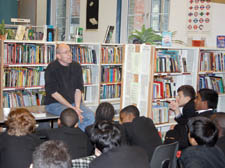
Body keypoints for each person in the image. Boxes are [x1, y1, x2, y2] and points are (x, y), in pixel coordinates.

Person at [44, 43, 94, 131]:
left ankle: (78, 139)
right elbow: (54, 93)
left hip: (75, 103)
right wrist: (73, 109)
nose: (69, 54)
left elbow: (78, 89)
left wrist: (77, 107)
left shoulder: (76, 66)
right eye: (66, 52)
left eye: (70, 52)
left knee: (91, 116)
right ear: (58, 56)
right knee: (71, 116)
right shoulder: (51, 68)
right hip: (55, 104)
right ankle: (70, 139)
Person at [164, 85, 197, 150]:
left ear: (187, 98)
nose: (177, 98)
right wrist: (176, 109)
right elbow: (185, 121)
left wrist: (176, 109)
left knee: (171, 133)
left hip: (189, 140)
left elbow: (186, 125)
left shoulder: (188, 107)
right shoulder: (191, 104)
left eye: (179, 96)